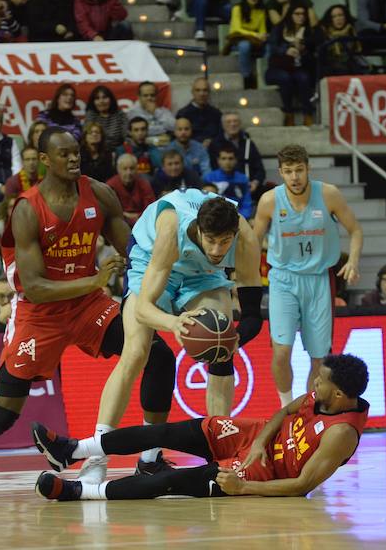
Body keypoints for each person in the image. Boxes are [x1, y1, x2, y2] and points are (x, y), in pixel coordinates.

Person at [0, 127, 171, 497]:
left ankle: (150, 458)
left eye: (77, 152)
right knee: (3, 414)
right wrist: (94, 282)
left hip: (87, 305)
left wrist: (168, 266)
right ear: (44, 160)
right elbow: (36, 286)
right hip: (39, 314)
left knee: (159, 356)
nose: (74, 159)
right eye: (64, 154)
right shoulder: (27, 209)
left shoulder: (100, 195)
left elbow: (135, 250)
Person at [86, 189, 265, 484]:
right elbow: (143, 308)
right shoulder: (172, 227)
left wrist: (229, 340)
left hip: (202, 275)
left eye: (225, 241)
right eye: (211, 240)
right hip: (152, 261)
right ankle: (96, 457)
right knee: (136, 351)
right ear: (199, 230)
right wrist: (174, 323)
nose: (219, 249)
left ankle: (218, 454)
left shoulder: (244, 237)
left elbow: (252, 317)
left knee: (221, 347)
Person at [34, 353, 369, 501]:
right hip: (254, 437)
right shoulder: (324, 396)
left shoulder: (341, 434)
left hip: (261, 475)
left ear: (339, 394)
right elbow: (284, 411)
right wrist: (257, 443)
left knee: (167, 480)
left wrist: (243, 488)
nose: (314, 382)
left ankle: (80, 493)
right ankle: (72, 451)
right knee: (161, 432)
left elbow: (300, 486)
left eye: (321, 380)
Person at [252, 145, 363, 401]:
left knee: (319, 357)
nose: (295, 177)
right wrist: (243, 278)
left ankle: (309, 407)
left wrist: (353, 261)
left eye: (299, 170)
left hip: (319, 278)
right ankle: (286, 406)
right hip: (282, 279)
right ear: (280, 172)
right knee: (281, 352)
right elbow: (253, 242)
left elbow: (355, 230)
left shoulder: (328, 195)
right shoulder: (269, 200)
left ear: (308, 169)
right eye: (288, 171)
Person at [265, 8, 319, 126]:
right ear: (290, 15)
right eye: (297, 14)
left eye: (303, 14)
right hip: (277, 68)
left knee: (303, 78)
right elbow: (273, 48)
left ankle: (308, 114)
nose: (301, 16)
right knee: (285, 78)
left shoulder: (309, 32)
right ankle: (289, 113)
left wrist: (303, 49)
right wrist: (286, 50)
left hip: (297, 67)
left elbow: (314, 52)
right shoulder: (279, 29)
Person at [226, 0, 267, 90]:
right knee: (245, 45)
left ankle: (265, 75)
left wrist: (262, 36)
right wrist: (255, 34)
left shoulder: (261, 11)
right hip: (238, 40)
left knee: (269, 46)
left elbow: (262, 29)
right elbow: (236, 29)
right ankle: (246, 77)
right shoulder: (237, 8)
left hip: (255, 41)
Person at [106, 153, 157, 226]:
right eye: (125, 169)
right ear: (118, 170)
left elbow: (151, 209)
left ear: (137, 169)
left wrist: (137, 216)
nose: (128, 173)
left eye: (132, 168)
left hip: (142, 222)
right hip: (119, 225)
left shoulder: (144, 184)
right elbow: (110, 213)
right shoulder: (110, 186)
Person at [204, 146, 252, 219]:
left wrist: (240, 217)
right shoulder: (209, 178)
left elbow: (247, 203)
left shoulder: (243, 179)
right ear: (218, 160)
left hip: (238, 216)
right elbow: (206, 204)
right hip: (215, 218)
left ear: (236, 160)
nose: (227, 162)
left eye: (231, 158)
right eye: (223, 158)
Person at [320, 4, 368, 76]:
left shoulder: (352, 30)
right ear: (330, 19)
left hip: (351, 64)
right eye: (334, 16)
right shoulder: (325, 33)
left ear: (346, 17)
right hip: (332, 67)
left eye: (340, 15)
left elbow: (357, 50)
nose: (338, 19)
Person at [175, 78, 223, 149]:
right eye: (198, 90)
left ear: (209, 92)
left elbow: (221, 134)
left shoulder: (216, 113)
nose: (201, 94)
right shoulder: (183, 114)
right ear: (192, 92)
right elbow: (180, 137)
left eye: (205, 90)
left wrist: (212, 141)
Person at [126, 82, 176, 149]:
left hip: (166, 147)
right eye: (145, 95)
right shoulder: (133, 113)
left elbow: (175, 127)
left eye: (152, 95)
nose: (149, 98)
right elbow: (141, 133)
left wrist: (156, 112)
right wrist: (164, 130)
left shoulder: (163, 111)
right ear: (139, 97)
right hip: (145, 149)